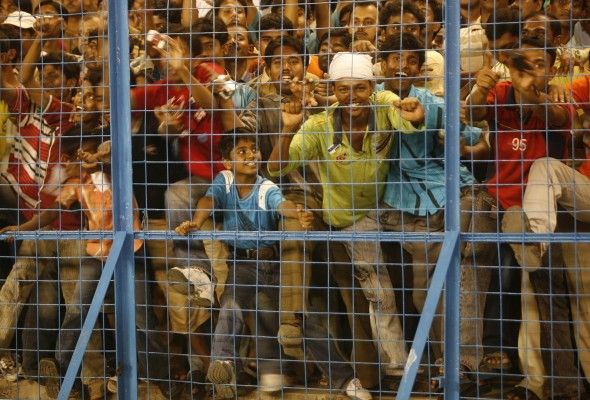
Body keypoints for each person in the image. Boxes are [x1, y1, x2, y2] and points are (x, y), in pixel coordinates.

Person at [268, 51, 425, 385]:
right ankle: (397, 368)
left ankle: (441, 362)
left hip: (388, 205)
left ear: (371, 86)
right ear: (333, 90)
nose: (352, 97)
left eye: (360, 88)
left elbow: (408, 122)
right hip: (349, 217)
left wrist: (414, 115)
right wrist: (287, 130)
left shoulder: (384, 102)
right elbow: (277, 167)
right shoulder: (319, 125)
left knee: (432, 256)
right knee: (378, 291)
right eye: (343, 89)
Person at [467, 36, 575, 400]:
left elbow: (557, 118)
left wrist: (530, 91)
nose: (530, 71)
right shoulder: (501, 92)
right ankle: (497, 358)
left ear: (553, 67)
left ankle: (535, 373)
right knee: (496, 273)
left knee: (526, 282)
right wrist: (479, 90)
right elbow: (472, 114)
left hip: (539, 212)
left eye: (539, 64)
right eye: (522, 64)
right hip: (498, 201)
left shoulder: (559, 98)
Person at [175, 132, 314, 397]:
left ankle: (289, 371)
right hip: (241, 264)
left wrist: (297, 213)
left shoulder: (266, 187)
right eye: (242, 151)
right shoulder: (224, 181)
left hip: (272, 264)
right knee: (230, 307)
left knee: (278, 318)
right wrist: (197, 221)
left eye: (254, 149)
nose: (252, 155)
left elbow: (281, 204)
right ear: (227, 162)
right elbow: (209, 199)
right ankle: (224, 370)